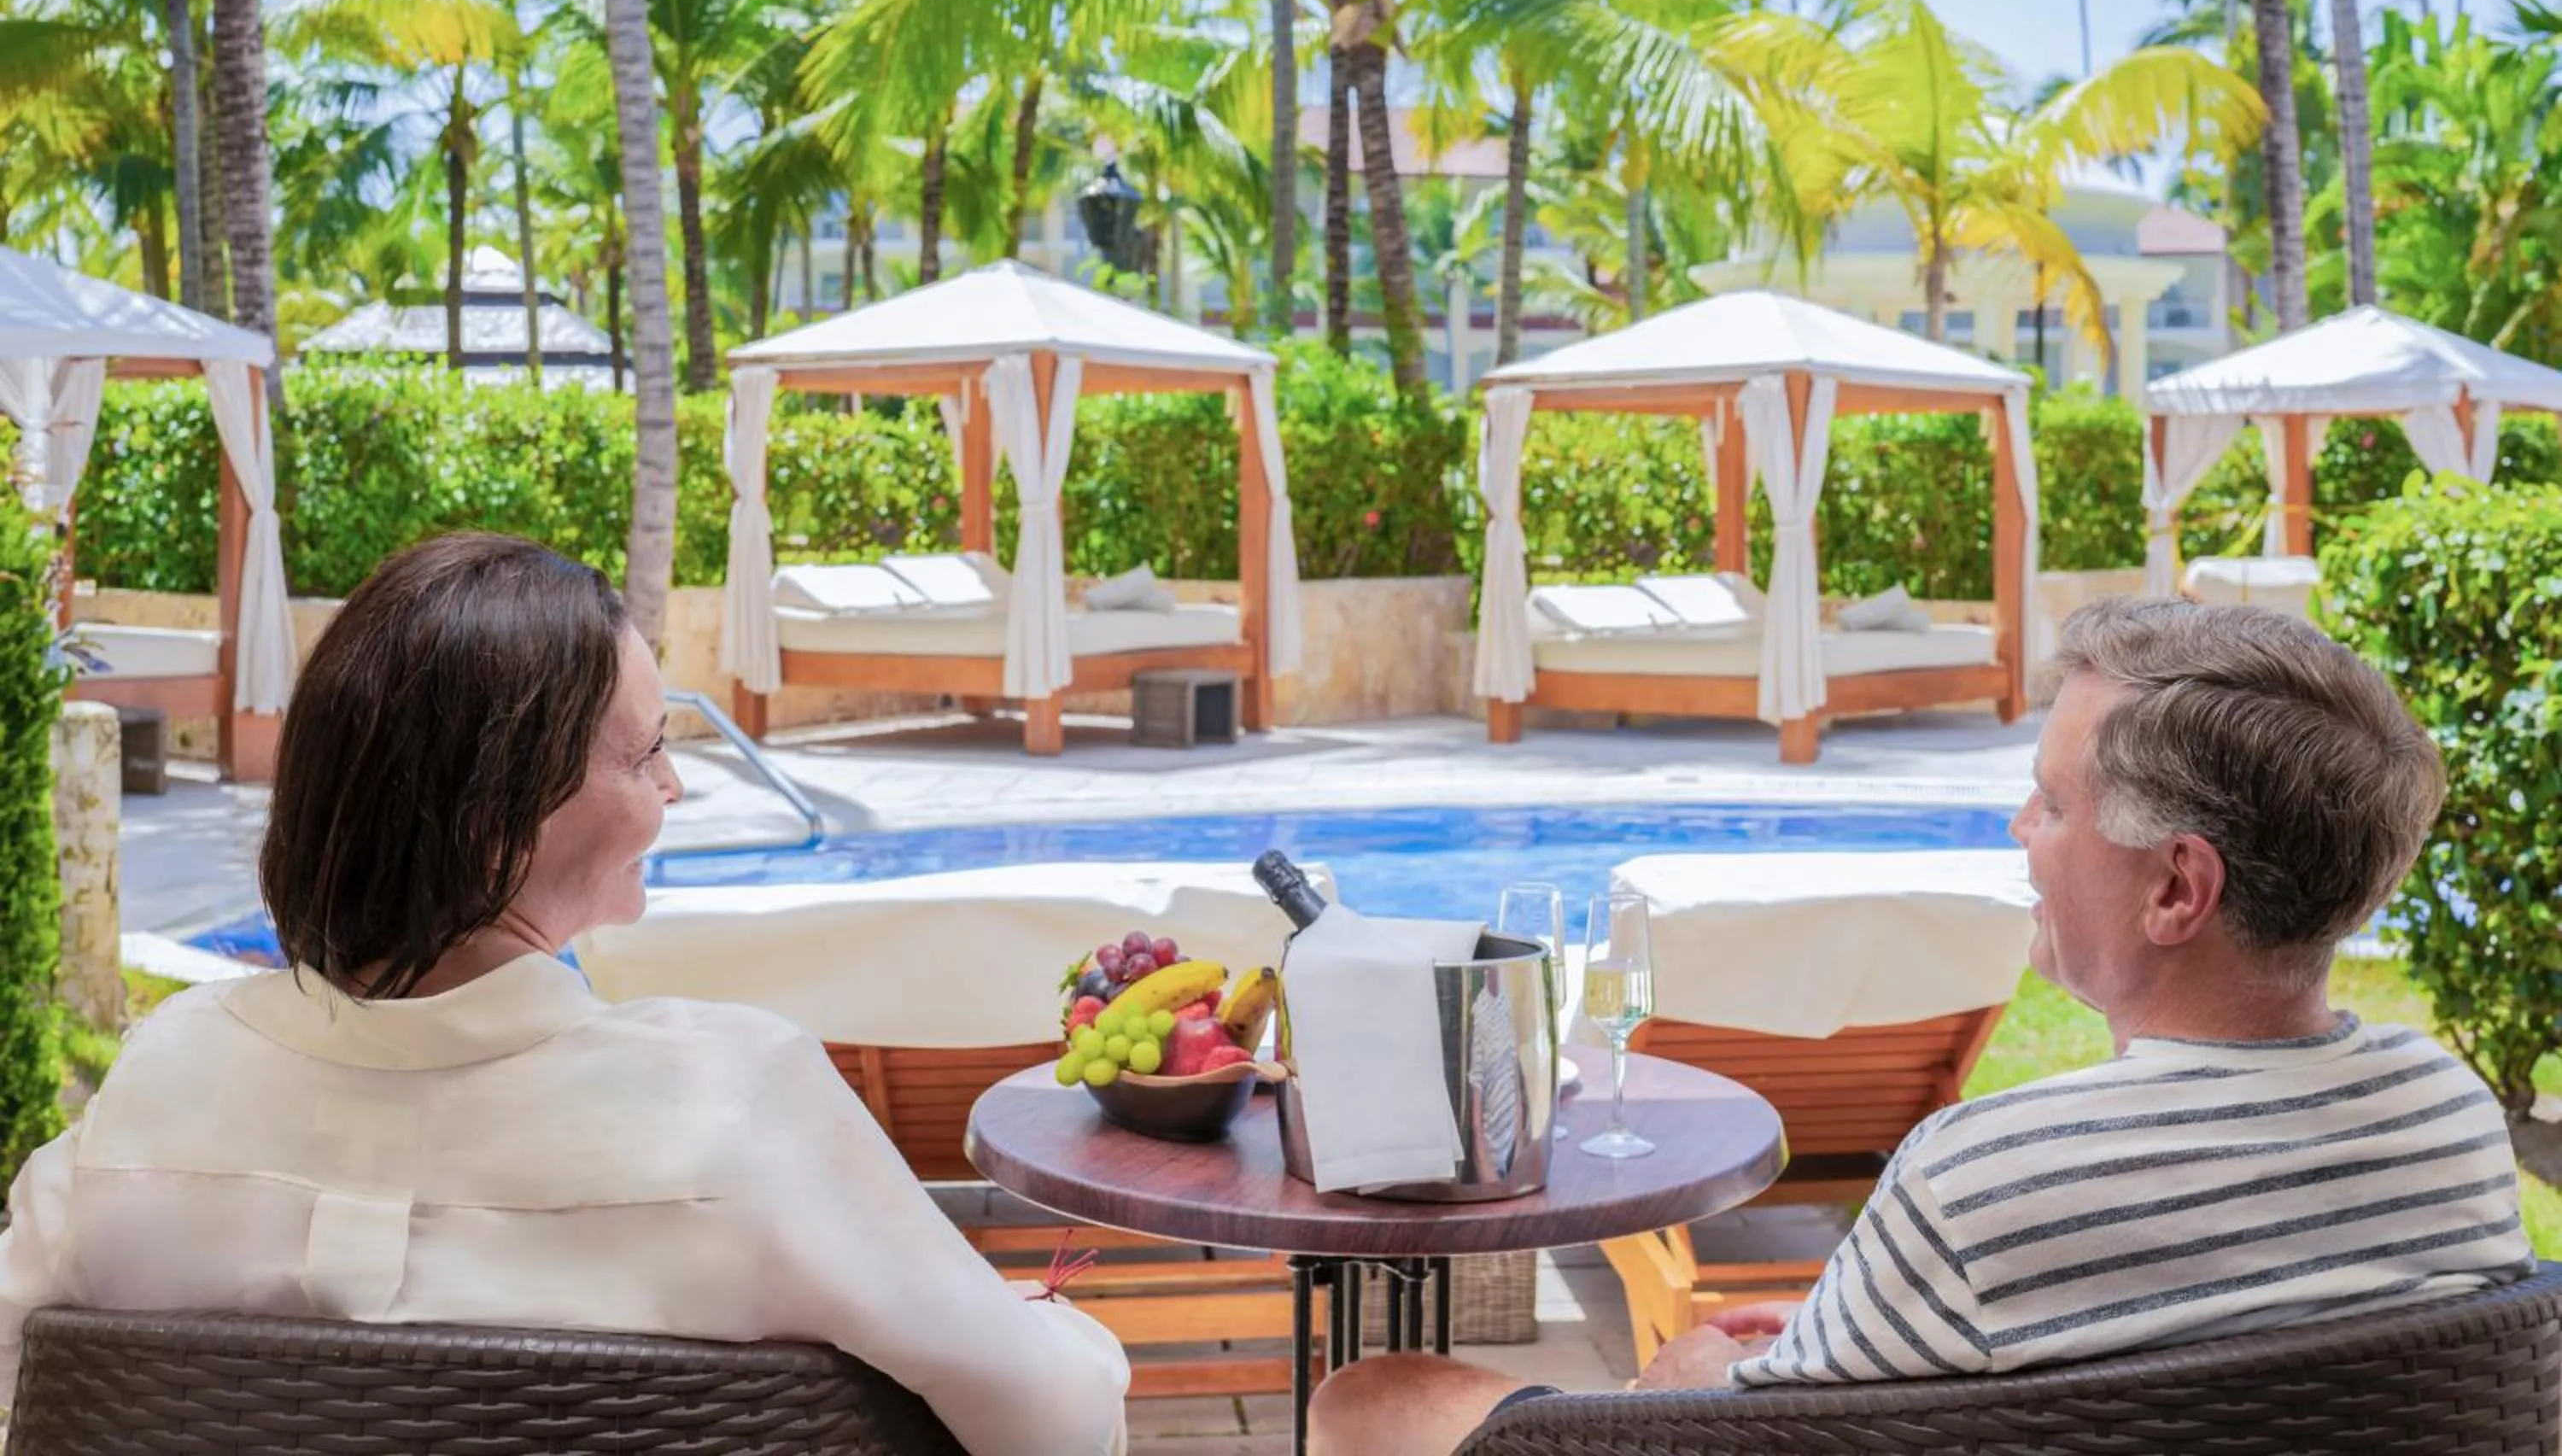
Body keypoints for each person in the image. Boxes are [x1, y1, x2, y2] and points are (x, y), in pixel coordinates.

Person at [1310, 597, 2532, 1455]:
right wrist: (1867, 1333)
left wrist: (1689, 1378)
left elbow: (1753, 1430)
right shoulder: (2451, 1121)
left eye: (2051, 803)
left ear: (2176, 889)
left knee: (1375, 1400)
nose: (2018, 831)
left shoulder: (1980, 1176)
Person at [0, 534, 1128, 1456]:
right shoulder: (732, 1104)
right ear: (499, 826)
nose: (676, 785)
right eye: (645, 755)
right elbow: (1053, 1425)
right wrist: (1077, 1341)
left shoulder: (164, 1085)